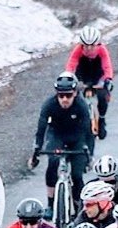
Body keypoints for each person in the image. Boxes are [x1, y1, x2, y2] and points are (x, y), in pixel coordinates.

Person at [31, 73, 94, 204]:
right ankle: (50, 202)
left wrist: (90, 156)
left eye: (69, 95)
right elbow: (41, 128)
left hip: (77, 138)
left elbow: (88, 132)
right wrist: (36, 151)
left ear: (75, 94)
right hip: (57, 136)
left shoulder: (81, 106)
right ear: (56, 94)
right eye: (61, 95)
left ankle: (78, 205)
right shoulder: (49, 104)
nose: (65, 99)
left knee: (77, 175)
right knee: (52, 164)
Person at [65, 26, 115, 139]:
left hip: (98, 75)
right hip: (83, 74)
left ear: (97, 44)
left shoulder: (102, 49)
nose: (88, 48)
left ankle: (101, 120)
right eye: (85, 45)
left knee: (103, 97)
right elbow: (71, 63)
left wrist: (108, 79)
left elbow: (107, 65)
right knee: (75, 97)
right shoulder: (78, 49)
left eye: (92, 45)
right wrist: (69, 76)